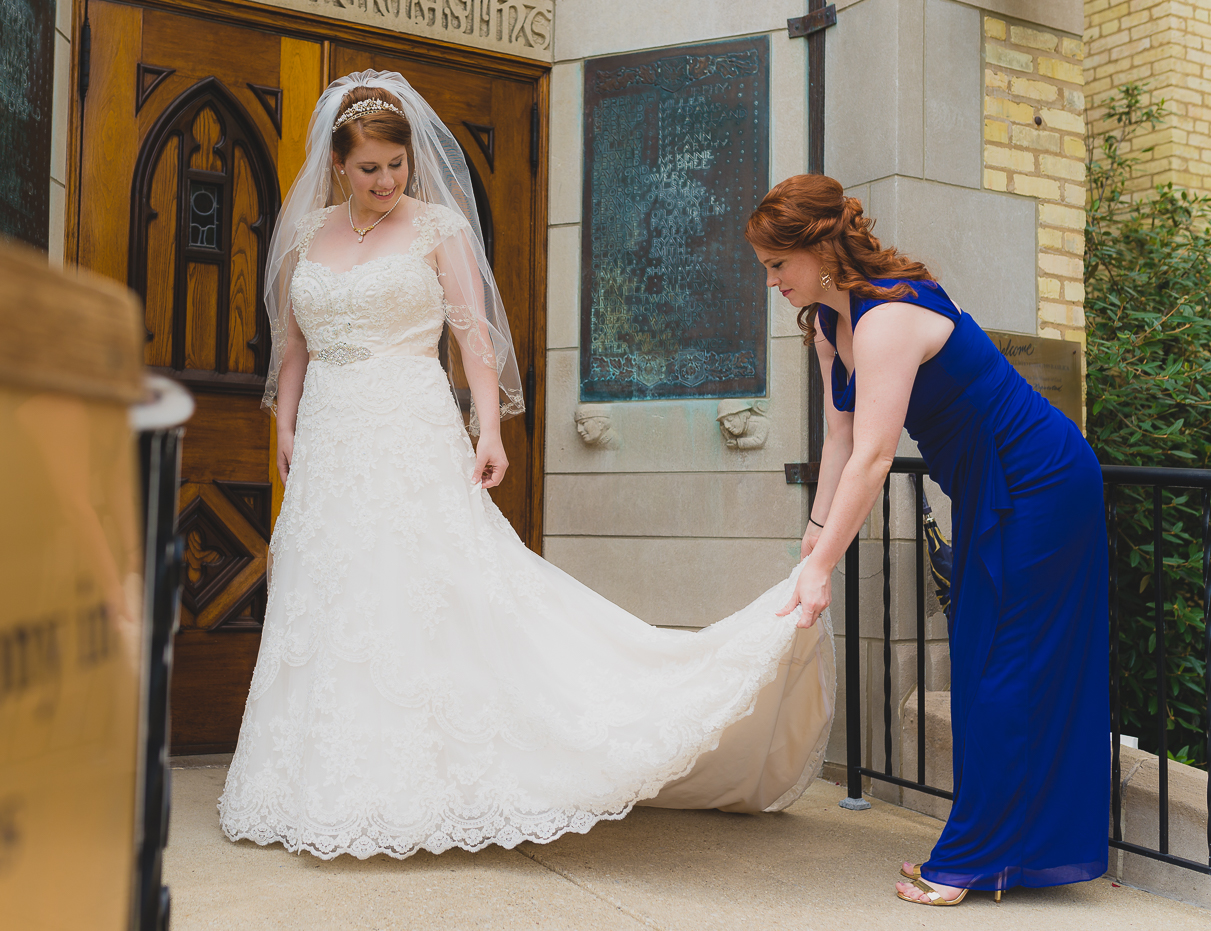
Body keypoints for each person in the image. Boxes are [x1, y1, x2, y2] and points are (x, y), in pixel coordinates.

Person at [216, 71, 837, 860]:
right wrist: (285, 423)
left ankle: (433, 778)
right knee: (328, 588)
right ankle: (315, 782)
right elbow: (293, 344)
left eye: (395, 166)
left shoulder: (436, 227)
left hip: (408, 422)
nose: (385, 182)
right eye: (369, 169)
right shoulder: (308, 236)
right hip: (331, 435)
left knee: (423, 588)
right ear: (338, 164)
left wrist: (487, 427)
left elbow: (472, 335)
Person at [747, 174, 1109, 905]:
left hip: (1039, 479)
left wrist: (823, 567)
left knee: (1005, 665)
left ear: (818, 249)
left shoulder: (885, 319)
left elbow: (876, 458)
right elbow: (839, 444)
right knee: (984, 657)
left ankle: (971, 860)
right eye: (765, 268)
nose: (772, 281)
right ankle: (1010, 852)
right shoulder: (827, 324)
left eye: (777, 264)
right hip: (987, 487)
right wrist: (810, 548)